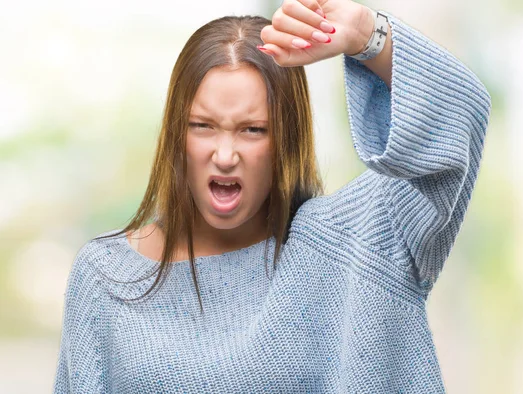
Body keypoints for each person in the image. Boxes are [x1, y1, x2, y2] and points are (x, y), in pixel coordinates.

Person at [53, 0, 491, 392]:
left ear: (285, 138)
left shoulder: (358, 243)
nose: (225, 156)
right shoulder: (106, 276)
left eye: (252, 130)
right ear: (175, 134)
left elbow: (463, 113)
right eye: (202, 125)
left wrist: (363, 33)